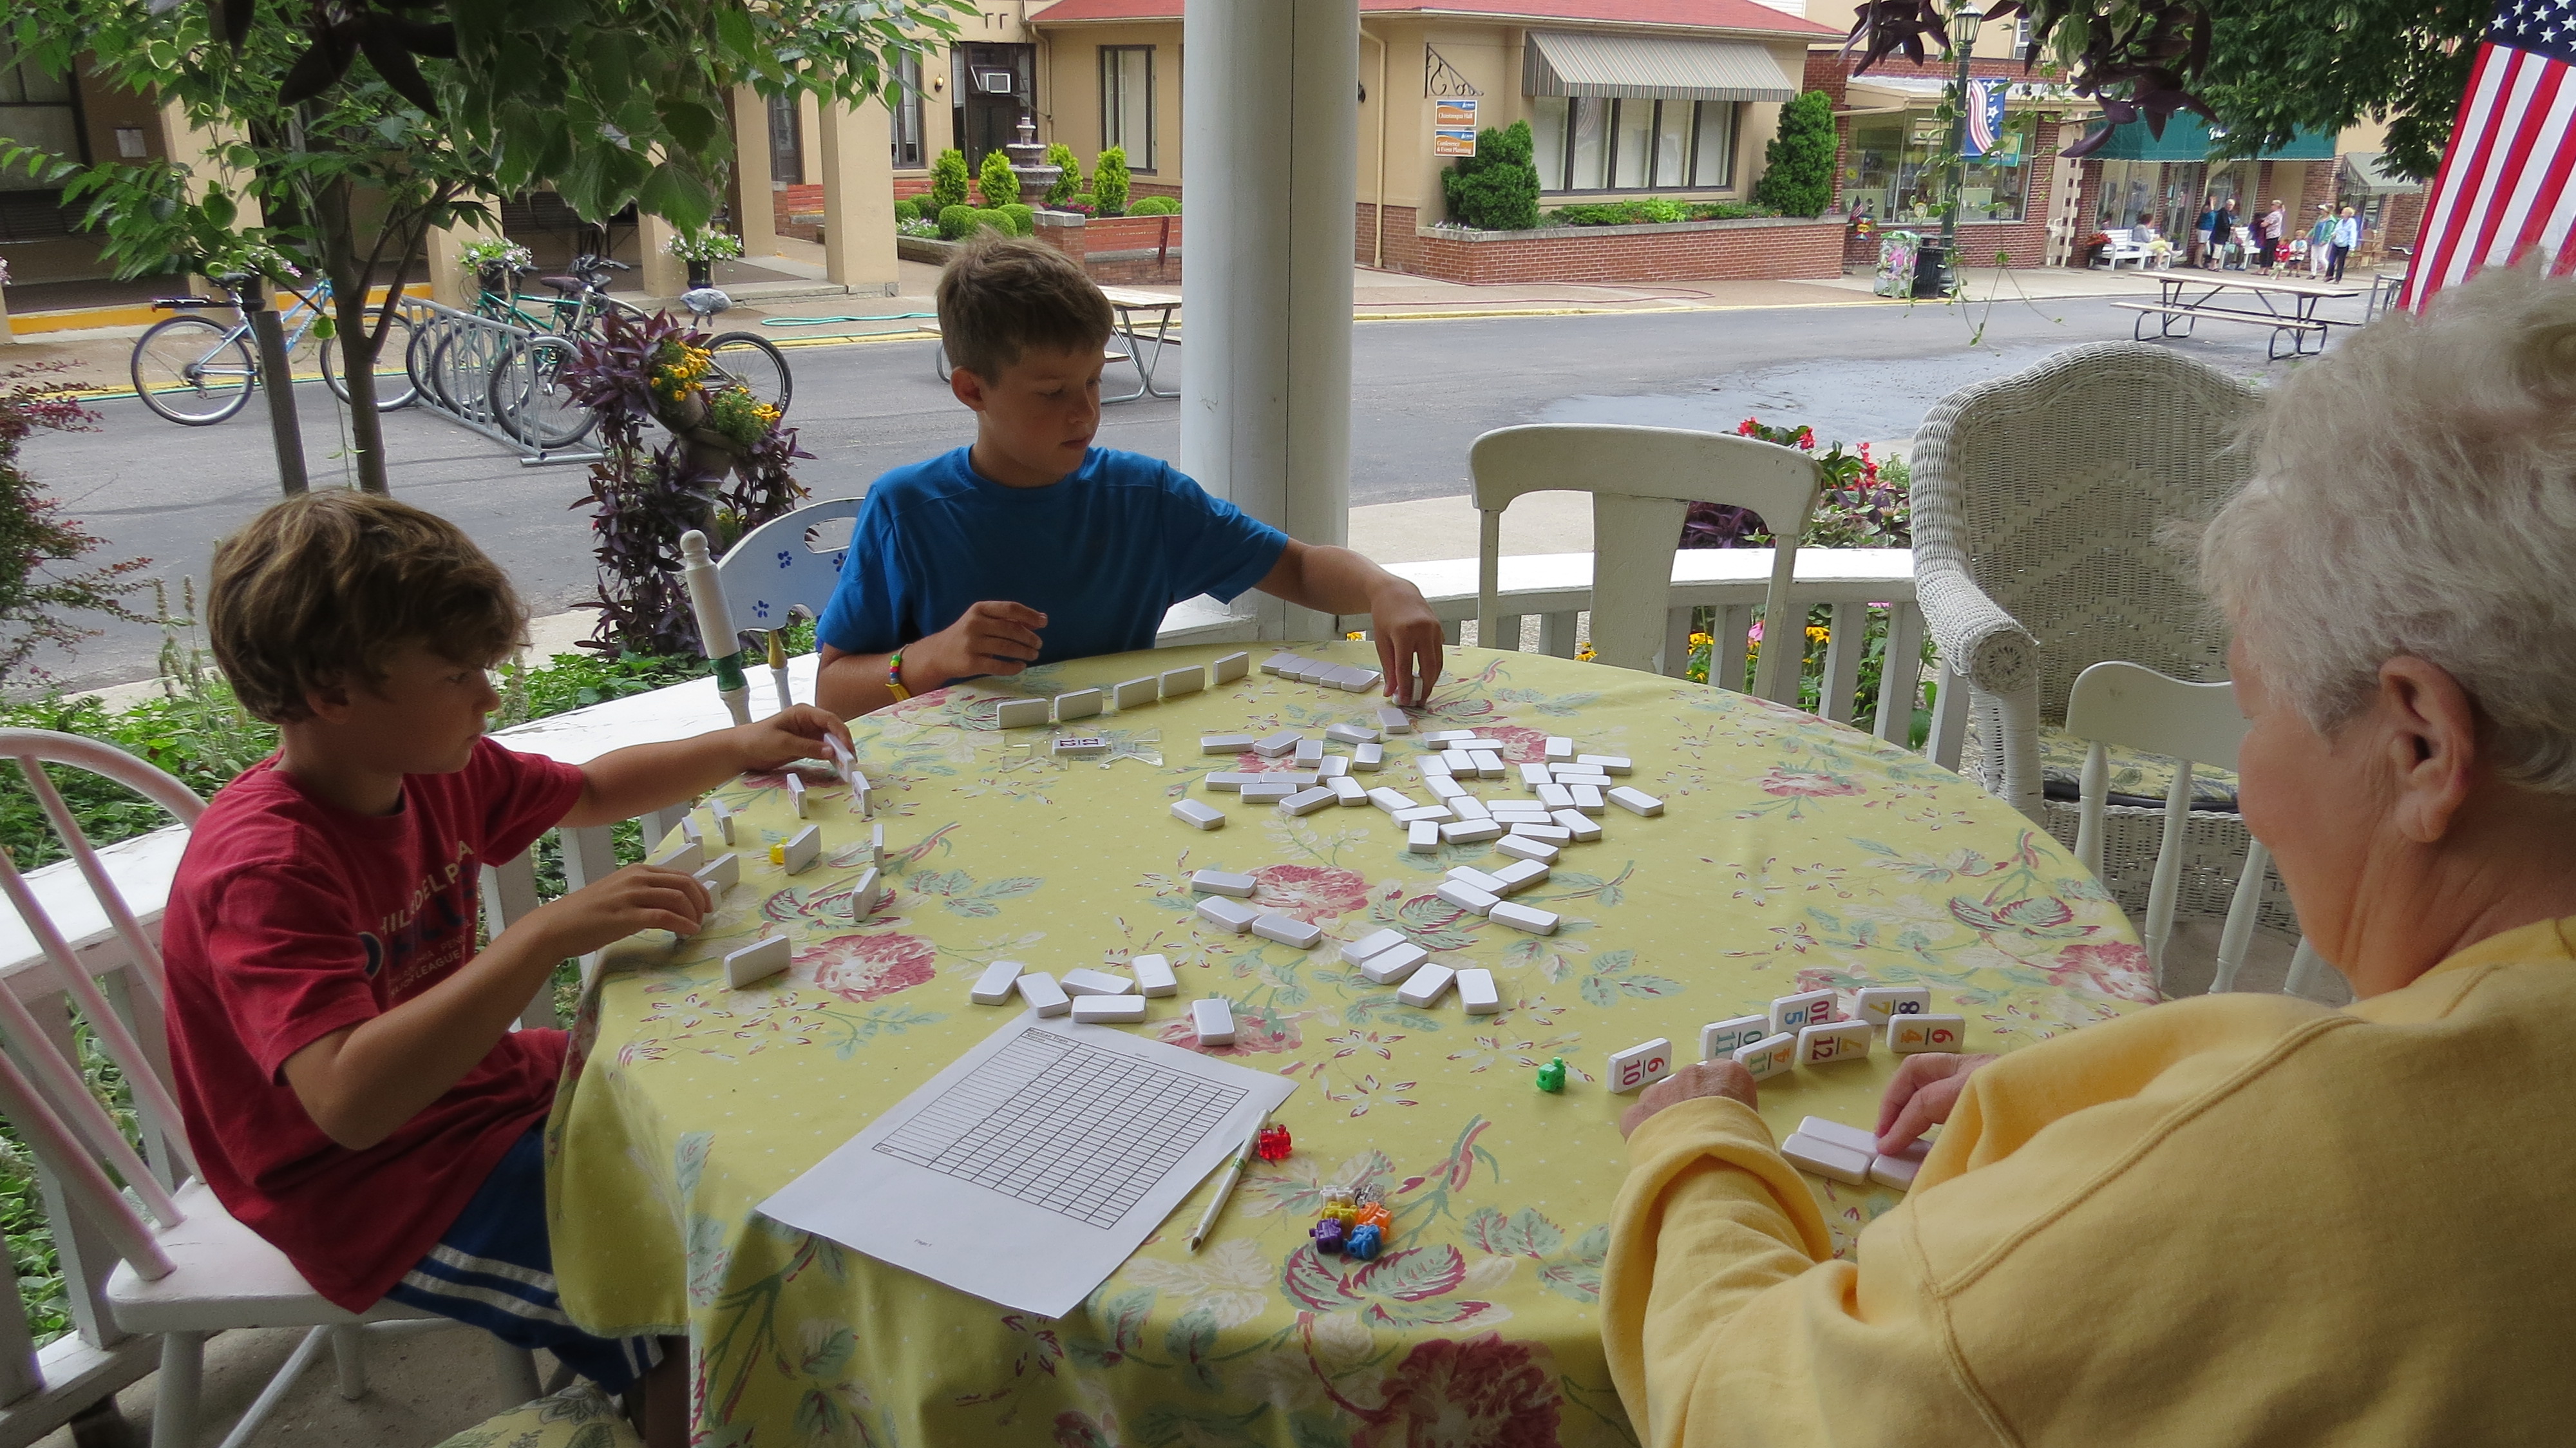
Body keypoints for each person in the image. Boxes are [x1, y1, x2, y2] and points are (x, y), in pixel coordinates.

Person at [1599, 260, 2576, 1445]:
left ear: (2419, 745)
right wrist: (2079, 1100)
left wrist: (1698, 1152)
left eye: (2252, 715)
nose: (2252, 787)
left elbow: (1747, 1409)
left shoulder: (2276, 1169)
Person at [163, 492, 855, 1447]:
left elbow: (592, 789)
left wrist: (739, 746)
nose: (489, 700)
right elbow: (347, 1103)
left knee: (730, 1116)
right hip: (371, 1189)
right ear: (332, 692)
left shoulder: (431, 770)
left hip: (479, 1097)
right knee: (678, 1293)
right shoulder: (265, 868)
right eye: (457, 676)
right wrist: (536, 939)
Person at [812, 234, 1444, 718]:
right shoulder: (907, 509)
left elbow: (1297, 568)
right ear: (972, 389)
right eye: (1053, 392)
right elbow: (834, 691)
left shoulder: (1145, 498)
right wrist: (930, 657)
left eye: (1094, 380)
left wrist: (1384, 587)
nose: (1085, 411)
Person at [2328, 204, 2362, 281]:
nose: (2342, 213)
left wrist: (2352, 247)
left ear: (2348, 214)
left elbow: (2353, 234)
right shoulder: (2340, 222)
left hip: (2344, 245)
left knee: (2341, 262)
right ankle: (2329, 275)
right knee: (2332, 260)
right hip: (2336, 243)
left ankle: (2338, 278)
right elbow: (2336, 230)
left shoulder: (2352, 223)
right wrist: (2333, 235)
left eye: (2344, 212)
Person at [2307, 203, 2337, 277]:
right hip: (2316, 239)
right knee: (2313, 257)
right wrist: (2309, 235)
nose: (2321, 211)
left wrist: (2325, 240)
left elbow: (2329, 232)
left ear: (2326, 211)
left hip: (2323, 240)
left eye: (2322, 210)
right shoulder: (2320, 218)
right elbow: (2315, 228)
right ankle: (2313, 273)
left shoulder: (2331, 221)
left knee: (2321, 258)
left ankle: (2329, 272)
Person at [2261, 196, 2288, 270]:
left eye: (2272, 205)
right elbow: (2283, 210)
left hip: (2270, 235)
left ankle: (2262, 269)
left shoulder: (2274, 214)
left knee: (2266, 253)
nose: (2271, 206)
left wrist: (2259, 223)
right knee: (2271, 253)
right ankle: (2267, 270)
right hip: (2276, 235)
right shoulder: (2280, 214)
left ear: (2277, 206)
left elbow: (2265, 224)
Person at [2193, 196, 2218, 266]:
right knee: (2201, 245)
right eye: (2214, 200)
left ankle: (2200, 261)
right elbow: (2211, 209)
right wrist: (2211, 201)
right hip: (2204, 228)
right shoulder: (2206, 208)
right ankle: (2197, 262)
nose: (2215, 201)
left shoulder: (2212, 210)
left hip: (2209, 229)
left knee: (2204, 246)